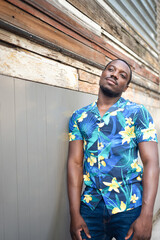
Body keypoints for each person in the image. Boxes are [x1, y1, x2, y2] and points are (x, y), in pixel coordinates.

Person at [67, 59, 159, 240]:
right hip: (91, 206)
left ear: (126, 87)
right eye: (110, 69)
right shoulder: (79, 116)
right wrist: (74, 214)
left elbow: (151, 163)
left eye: (122, 75)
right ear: (102, 73)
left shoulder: (138, 113)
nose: (115, 74)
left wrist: (147, 216)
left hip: (129, 206)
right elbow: (75, 163)